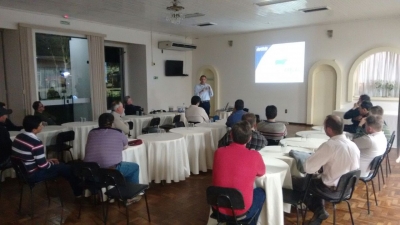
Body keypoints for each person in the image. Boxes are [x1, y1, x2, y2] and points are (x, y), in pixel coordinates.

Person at [291, 115, 360, 225]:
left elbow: (307, 168)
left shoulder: (330, 145)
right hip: (347, 188)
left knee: (295, 181)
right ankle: (319, 212)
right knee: (315, 180)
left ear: (328, 129)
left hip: (331, 190)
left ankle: (319, 211)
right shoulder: (354, 145)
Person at [11, 115, 82, 196]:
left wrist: (47, 160)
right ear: (34, 129)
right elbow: (43, 166)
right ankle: (78, 192)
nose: (42, 126)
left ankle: (77, 187)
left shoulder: (18, 137)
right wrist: (51, 164)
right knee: (64, 167)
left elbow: (28, 158)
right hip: (33, 175)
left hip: (22, 174)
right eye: (41, 125)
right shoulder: (36, 142)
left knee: (64, 169)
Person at [212, 121, 266, 224]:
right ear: (250, 138)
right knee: (261, 192)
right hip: (240, 210)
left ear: (231, 135)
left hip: (217, 206)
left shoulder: (218, 152)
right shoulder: (254, 155)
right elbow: (262, 172)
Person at [84, 113, 141, 203]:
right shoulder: (118, 132)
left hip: (90, 173)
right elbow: (125, 146)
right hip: (110, 173)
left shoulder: (91, 133)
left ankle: (100, 192)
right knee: (134, 167)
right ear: (112, 123)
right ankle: (130, 196)